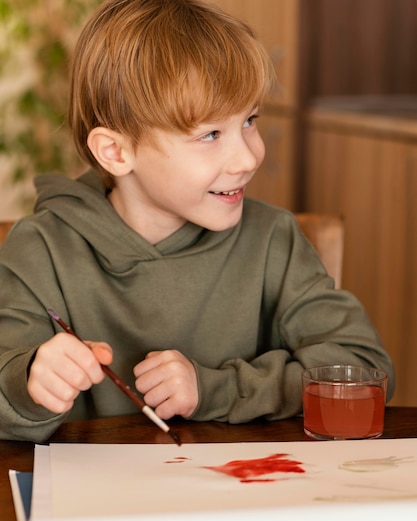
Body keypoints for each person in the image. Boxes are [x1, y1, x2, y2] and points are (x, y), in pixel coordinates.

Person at [0, 0, 394, 443]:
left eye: (249, 120)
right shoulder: (39, 249)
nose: (248, 157)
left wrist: (214, 388)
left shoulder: (272, 238)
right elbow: (6, 392)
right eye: (210, 134)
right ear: (115, 151)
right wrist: (30, 381)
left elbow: (363, 371)